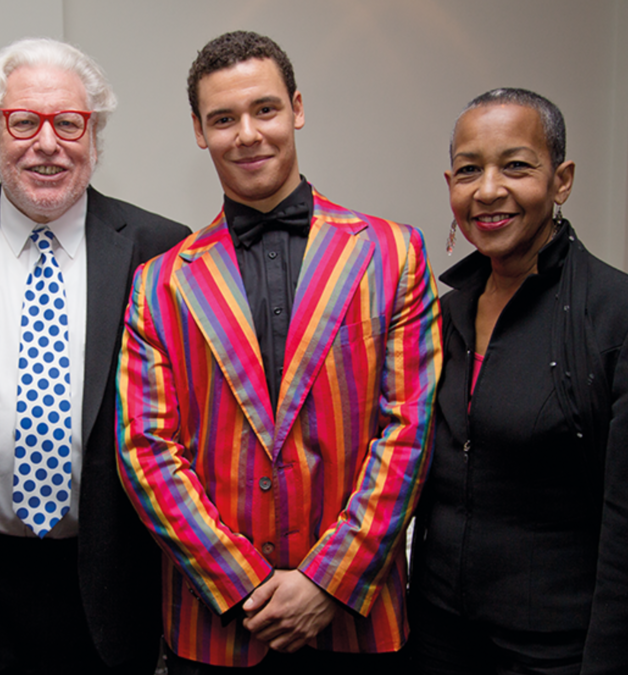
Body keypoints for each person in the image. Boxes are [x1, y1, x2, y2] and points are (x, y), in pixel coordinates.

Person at [116, 31, 443, 672]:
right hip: (219, 627)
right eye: (223, 118)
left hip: (357, 617)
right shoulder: (160, 282)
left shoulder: (393, 253)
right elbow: (146, 451)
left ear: (296, 107)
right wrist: (241, 584)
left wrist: (327, 581)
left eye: (264, 109)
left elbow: (410, 431)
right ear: (198, 130)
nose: (247, 133)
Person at [0, 38, 188, 673]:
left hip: (108, 580)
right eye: (22, 121)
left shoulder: (160, 249)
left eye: (69, 123)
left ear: (94, 138)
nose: (46, 143)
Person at [407, 88, 628, 674]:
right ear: (450, 186)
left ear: (561, 180)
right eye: (469, 171)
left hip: (556, 653)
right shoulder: (441, 316)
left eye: (516, 166)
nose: (488, 190)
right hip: (437, 639)